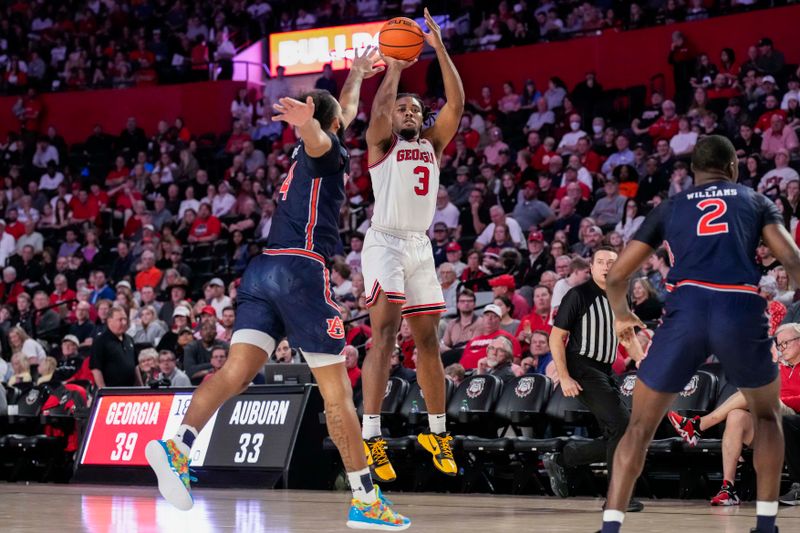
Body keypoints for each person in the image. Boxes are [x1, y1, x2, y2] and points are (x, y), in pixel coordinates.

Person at [144, 47, 410, 530]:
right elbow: (321, 133)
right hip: (300, 272)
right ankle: (366, 501)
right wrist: (307, 123)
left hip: (262, 270)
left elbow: (340, 114)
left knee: (235, 374)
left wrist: (354, 75)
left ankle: (176, 446)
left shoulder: (314, 148)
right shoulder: (324, 151)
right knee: (336, 397)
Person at [601, 135, 798, 533]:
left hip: (685, 311)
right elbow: (793, 258)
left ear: (692, 172)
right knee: (765, 416)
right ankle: (765, 524)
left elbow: (618, 275)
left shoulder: (670, 206)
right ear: (733, 167)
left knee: (639, 427)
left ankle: (610, 525)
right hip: (738, 310)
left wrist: (623, 315)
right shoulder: (756, 201)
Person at [359, 9, 463, 483]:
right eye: (404, 108)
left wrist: (439, 48)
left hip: (420, 246)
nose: (410, 113)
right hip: (384, 244)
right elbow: (380, 111)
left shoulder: (432, 144)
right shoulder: (381, 142)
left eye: (416, 109)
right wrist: (396, 66)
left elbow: (456, 107)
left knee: (427, 341)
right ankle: (372, 436)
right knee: (384, 335)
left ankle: (438, 430)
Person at [543, 247, 643, 512]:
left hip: (606, 369)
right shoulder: (578, 295)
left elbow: (628, 336)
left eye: (612, 262)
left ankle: (565, 457)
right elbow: (555, 338)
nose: (607, 266)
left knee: (622, 431)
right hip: (582, 366)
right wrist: (564, 376)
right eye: (601, 262)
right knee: (622, 425)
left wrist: (643, 359)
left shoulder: (621, 296)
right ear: (591, 266)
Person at [665, 322, 800, 506]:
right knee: (736, 416)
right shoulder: (778, 370)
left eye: (787, 342)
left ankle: (699, 425)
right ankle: (728, 489)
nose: (782, 348)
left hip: (793, 419)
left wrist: (779, 397)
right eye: (779, 344)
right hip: (772, 424)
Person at [90, 305, 141, 388]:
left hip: (130, 390)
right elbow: (96, 369)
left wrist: (140, 387)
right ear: (110, 321)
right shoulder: (100, 341)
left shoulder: (129, 339)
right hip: (111, 391)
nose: (124, 322)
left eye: (125, 319)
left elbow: (135, 366)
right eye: (120, 320)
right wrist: (104, 391)